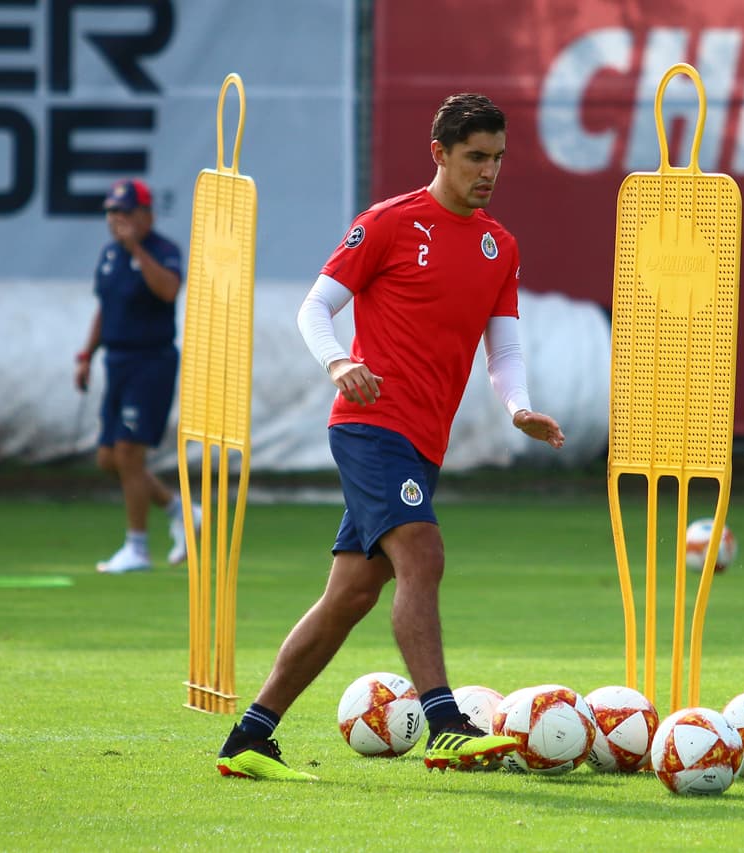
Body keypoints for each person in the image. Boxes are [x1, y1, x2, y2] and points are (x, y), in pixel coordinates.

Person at [215, 93, 565, 782]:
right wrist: (341, 362)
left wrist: (519, 406)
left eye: (497, 158)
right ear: (439, 153)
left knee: (349, 596)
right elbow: (316, 307)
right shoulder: (389, 223)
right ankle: (444, 725)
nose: (487, 171)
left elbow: (505, 348)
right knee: (423, 552)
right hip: (371, 429)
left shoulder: (500, 244)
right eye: (474, 158)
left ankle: (249, 738)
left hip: (421, 444)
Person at [75, 178, 201, 574]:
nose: (118, 220)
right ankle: (179, 509)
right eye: (112, 212)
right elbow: (105, 307)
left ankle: (137, 547)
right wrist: (86, 354)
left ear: (146, 214)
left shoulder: (163, 251)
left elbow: (167, 291)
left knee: (130, 453)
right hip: (117, 360)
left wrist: (136, 250)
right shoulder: (110, 255)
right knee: (109, 458)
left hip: (151, 361)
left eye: (126, 212)